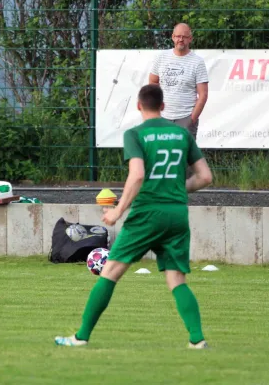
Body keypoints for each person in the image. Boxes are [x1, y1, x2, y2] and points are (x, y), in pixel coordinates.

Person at [54, 84, 213, 349]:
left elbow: (137, 175)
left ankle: (80, 337)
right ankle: (197, 339)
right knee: (176, 279)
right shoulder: (181, 133)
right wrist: (174, 188)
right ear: (163, 106)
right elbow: (205, 177)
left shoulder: (135, 135)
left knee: (110, 272)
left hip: (147, 212)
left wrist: (117, 211)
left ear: (139, 106)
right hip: (176, 214)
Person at [149, 23, 208, 140]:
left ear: (190, 39)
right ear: (172, 37)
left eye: (184, 37)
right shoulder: (161, 58)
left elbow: (203, 95)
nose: (181, 40)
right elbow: (153, 82)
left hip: (185, 118)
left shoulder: (197, 62)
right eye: (178, 36)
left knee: (184, 156)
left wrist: (192, 119)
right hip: (163, 117)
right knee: (162, 154)